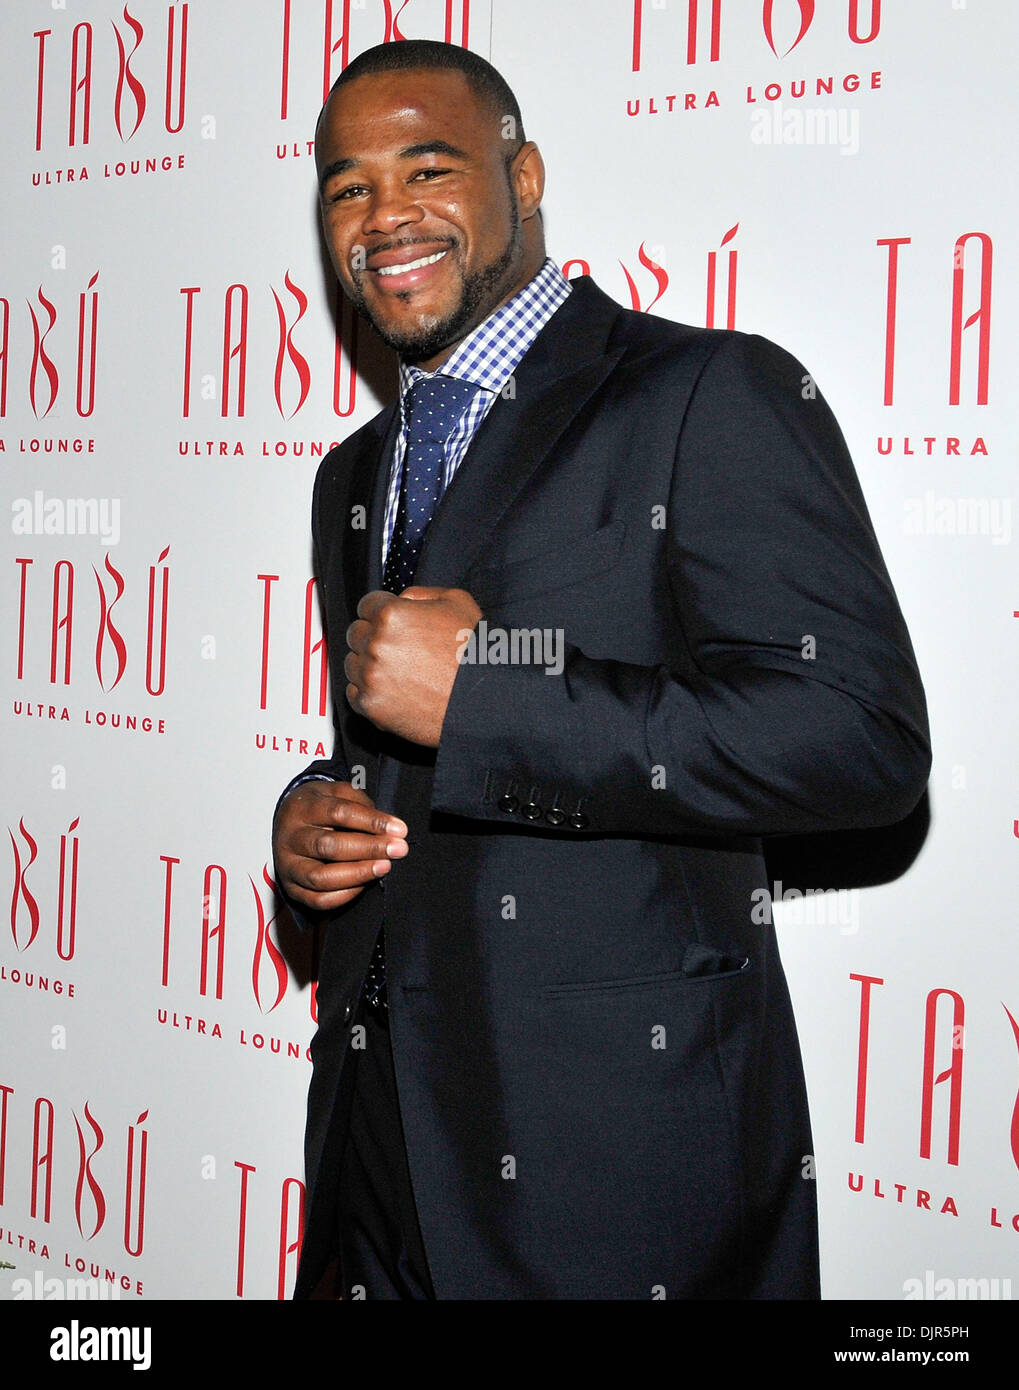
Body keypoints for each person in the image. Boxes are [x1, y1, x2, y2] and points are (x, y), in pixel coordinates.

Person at [272, 38, 931, 1300]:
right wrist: (315, 826)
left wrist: (493, 697)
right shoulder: (350, 474)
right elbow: (397, 747)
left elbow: (854, 739)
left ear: (521, 179)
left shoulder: (705, 394)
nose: (384, 216)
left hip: (613, 1184)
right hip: (377, 1162)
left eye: (428, 167)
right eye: (347, 187)